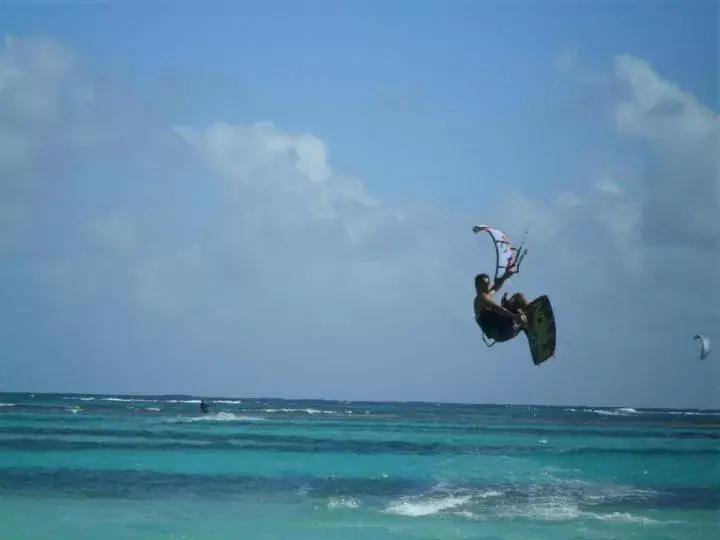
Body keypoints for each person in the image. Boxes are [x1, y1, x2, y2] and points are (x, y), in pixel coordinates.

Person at [474, 271, 529, 343]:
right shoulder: (480, 298)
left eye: (488, 283)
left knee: (516, 306)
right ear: (479, 286)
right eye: (486, 283)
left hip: (502, 333)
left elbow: (494, 288)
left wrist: (505, 276)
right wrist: (514, 316)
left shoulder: (483, 297)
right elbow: (496, 308)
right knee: (518, 297)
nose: (488, 285)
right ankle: (528, 316)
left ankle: (528, 326)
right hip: (500, 329)